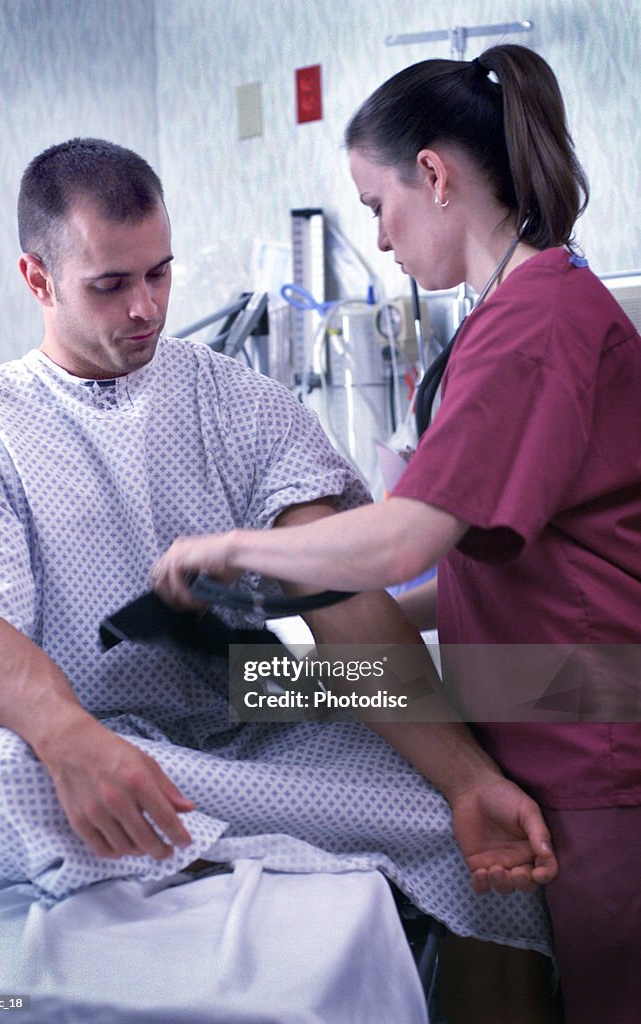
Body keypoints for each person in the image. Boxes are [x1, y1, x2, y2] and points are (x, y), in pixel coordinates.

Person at [150, 45, 641, 1024]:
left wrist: (238, 550)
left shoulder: (536, 317)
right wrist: (305, 599)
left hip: (576, 698)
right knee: (273, 685)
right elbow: (469, 566)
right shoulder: (519, 305)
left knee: (606, 992)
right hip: (531, 674)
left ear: (433, 174)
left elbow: (405, 540)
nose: (376, 238)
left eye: (376, 207)